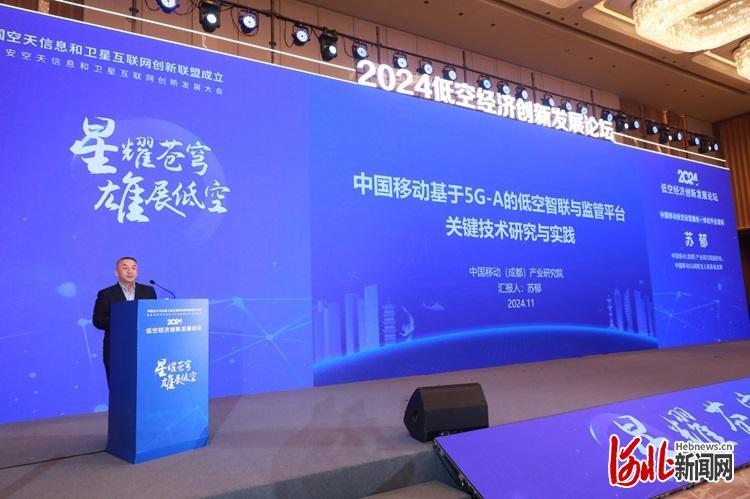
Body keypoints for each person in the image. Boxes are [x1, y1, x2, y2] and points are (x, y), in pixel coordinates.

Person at [92, 256, 157, 384]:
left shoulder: (148, 291)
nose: (130, 271)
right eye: (125, 268)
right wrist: (123, 319)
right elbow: (98, 321)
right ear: (116, 272)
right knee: (119, 387)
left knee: (145, 386)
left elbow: (153, 317)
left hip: (144, 349)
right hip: (117, 350)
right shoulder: (106, 294)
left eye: (133, 268)